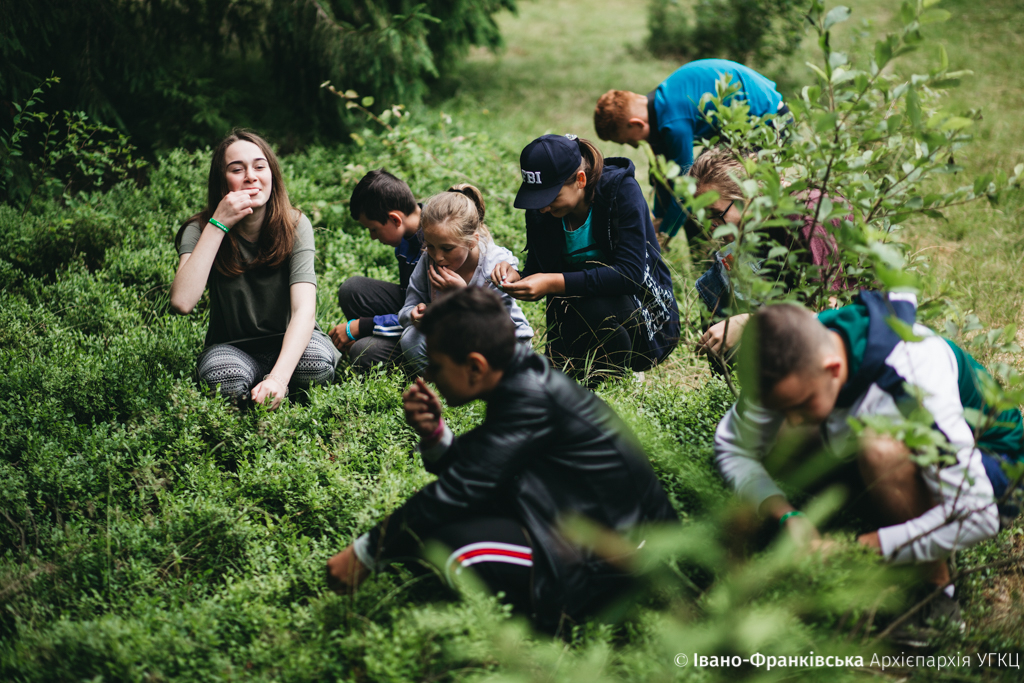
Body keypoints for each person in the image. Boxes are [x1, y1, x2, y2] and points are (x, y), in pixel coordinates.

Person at [326, 287, 677, 634]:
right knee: (428, 532)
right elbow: (479, 471)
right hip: (572, 517)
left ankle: (546, 623)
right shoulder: (522, 379)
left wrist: (365, 552)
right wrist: (435, 435)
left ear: (475, 366)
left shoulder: (529, 397)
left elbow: (459, 488)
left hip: (614, 562)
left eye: (437, 365)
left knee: (451, 549)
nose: (428, 376)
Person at [715, 292, 1023, 643]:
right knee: (785, 434)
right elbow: (732, 446)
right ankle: (882, 512)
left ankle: (933, 591)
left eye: (801, 404)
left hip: (992, 470)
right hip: (890, 437)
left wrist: (859, 547)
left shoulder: (913, 380)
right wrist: (785, 514)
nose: (794, 419)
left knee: (881, 449)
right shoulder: (788, 354)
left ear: (832, 369)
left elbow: (978, 514)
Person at [492, 134, 679, 384]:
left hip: (647, 317)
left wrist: (552, 282)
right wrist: (518, 276)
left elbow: (630, 275)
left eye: (550, 197)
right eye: (536, 199)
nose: (542, 208)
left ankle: (621, 375)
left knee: (593, 307)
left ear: (580, 180)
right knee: (552, 384)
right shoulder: (541, 210)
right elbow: (540, 268)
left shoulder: (621, 192)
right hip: (574, 317)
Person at [171, 129, 336, 408]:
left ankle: (270, 388)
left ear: (272, 174)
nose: (251, 176)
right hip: (234, 349)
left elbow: (304, 311)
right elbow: (182, 302)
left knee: (317, 362)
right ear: (221, 181)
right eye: (237, 169)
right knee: (221, 377)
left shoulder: (295, 225)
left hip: (290, 344)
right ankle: (259, 387)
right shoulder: (199, 229)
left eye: (260, 166)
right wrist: (218, 225)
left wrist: (278, 379)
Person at [594, 59, 785, 238]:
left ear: (636, 124)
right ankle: (707, 257)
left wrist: (663, 235)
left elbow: (686, 189)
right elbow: (664, 179)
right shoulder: (659, 107)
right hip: (736, 131)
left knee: (705, 195)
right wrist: (659, 219)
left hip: (770, 122)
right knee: (698, 194)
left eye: (629, 141)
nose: (635, 146)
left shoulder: (674, 124)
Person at [688, 148, 848, 361]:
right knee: (715, 281)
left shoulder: (804, 218)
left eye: (716, 214)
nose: (711, 226)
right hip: (799, 318)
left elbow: (826, 313)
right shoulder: (762, 218)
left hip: (848, 333)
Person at [398, 184, 533, 375]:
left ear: (472, 241)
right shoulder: (428, 260)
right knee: (411, 338)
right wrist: (413, 315)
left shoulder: (494, 268)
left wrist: (463, 295)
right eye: (430, 245)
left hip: (502, 345)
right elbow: (408, 307)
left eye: (447, 248)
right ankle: (448, 381)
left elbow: (499, 330)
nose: (438, 256)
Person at [329, 169, 424, 371]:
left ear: (395, 220)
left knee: (363, 351)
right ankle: (381, 338)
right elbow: (409, 300)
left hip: (433, 328)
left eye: (373, 229)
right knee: (352, 289)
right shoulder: (406, 236)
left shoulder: (436, 245)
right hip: (412, 310)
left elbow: (425, 314)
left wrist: (362, 326)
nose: (373, 237)